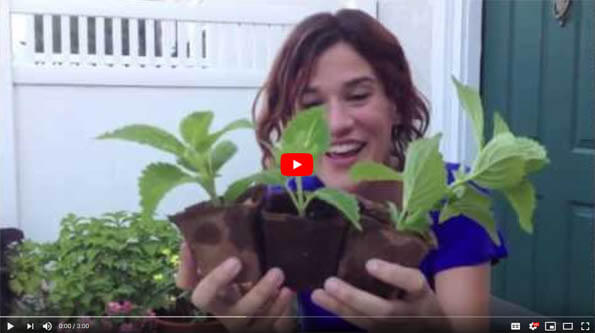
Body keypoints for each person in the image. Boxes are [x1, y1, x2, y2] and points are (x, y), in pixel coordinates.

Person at [176, 9, 507, 332]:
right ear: (291, 120)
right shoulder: (293, 186)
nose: (335, 125)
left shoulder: (453, 194)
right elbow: (275, 172)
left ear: (396, 103)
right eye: (311, 105)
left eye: (359, 95)